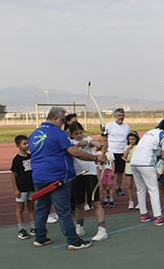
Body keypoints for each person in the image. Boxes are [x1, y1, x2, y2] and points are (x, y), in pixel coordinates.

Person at [29, 107, 107, 250]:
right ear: (57, 119)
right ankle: (73, 241)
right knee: (63, 210)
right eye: (63, 120)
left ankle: (40, 238)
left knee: (42, 207)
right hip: (57, 178)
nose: (64, 123)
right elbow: (75, 152)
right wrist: (96, 158)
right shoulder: (58, 133)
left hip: (39, 177)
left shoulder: (34, 134)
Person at [130, 118, 164, 226]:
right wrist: (159, 171)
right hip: (146, 163)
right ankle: (159, 217)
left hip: (134, 162)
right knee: (153, 189)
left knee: (140, 189)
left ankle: (144, 215)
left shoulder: (150, 132)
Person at [67, 121, 108, 242]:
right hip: (77, 175)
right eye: (76, 134)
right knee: (79, 204)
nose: (79, 135)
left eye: (81, 132)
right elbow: (73, 150)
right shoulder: (70, 144)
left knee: (95, 202)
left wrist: (92, 142)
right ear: (71, 134)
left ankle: (102, 229)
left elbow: (99, 144)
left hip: (90, 174)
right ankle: (79, 227)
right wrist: (79, 144)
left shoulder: (88, 140)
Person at [10, 135, 35, 239]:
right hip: (21, 188)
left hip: (31, 186)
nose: (27, 145)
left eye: (28, 143)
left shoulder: (31, 157)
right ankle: (21, 229)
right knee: (20, 208)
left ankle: (33, 227)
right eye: (24, 144)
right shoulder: (16, 159)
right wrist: (15, 189)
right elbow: (13, 174)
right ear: (18, 145)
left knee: (31, 207)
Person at [105, 108, 130, 200]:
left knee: (120, 171)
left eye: (123, 115)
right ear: (115, 116)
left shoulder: (127, 127)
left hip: (122, 152)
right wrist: (105, 150)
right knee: (110, 172)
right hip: (112, 151)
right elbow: (105, 137)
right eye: (119, 115)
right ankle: (108, 188)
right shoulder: (109, 125)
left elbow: (128, 139)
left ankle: (118, 187)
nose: (121, 117)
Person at [122, 131, 139, 209]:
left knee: (138, 186)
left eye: (133, 139)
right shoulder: (127, 147)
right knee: (129, 185)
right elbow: (124, 157)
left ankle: (139, 201)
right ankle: (131, 201)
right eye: (130, 139)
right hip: (129, 168)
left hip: (136, 168)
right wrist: (127, 149)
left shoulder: (138, 146)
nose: (131, 141)